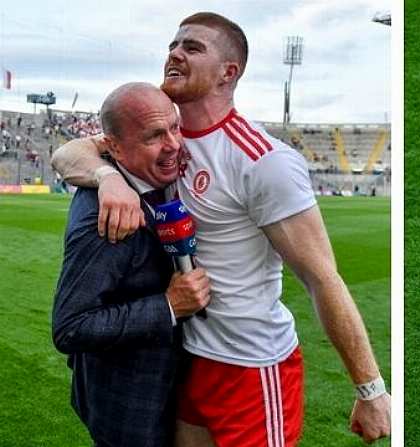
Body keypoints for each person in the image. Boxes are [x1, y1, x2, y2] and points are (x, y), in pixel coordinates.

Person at [52, 12, 390, 446]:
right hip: (189, 361)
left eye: (192, 47)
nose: (175, 53)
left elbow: (322, 277)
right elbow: (71, 153)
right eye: (173, 45)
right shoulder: (166, 138)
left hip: (250, 365)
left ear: (228, 72)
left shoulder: (263, 160)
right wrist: (108, 178)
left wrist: (370, 389)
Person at [51, 83, 211, 447]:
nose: (173, 143)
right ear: (115, 147)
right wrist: (168, 307)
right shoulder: (105, 219)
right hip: (132, 409)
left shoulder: (149, 175)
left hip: (167, 391)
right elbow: (70, 327)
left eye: (174, 127)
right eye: (155, 136)